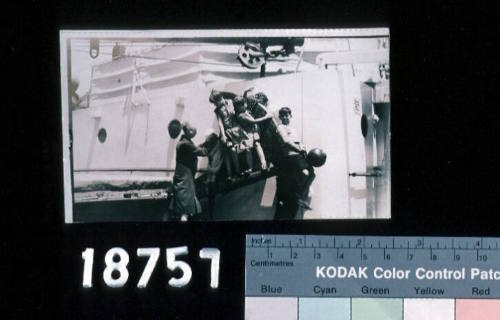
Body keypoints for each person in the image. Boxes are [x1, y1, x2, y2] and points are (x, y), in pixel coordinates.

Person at [274, 107, 315, 220]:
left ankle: (301, 196)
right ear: (280, 117)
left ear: (290, 116)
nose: (285, 117)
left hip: (298, 156)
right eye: (283, 115)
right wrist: (299, 149)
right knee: (306, 173)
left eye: (287, 115)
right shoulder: (280, 128)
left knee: (312, 173)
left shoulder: (293, 128)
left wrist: (303, 147)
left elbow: (298, 142)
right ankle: (298, 197)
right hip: (290, 157)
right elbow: (286, 142)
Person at [172, 122, 207, 221]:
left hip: (185, 180)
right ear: (186, 131)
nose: (194, 132)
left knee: (187, 211)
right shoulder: (185, 144)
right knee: (185, 213)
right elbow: (201, 152)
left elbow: (195, 148)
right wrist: (209, 146)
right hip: (185, 182)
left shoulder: (185, 142)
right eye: (192, 130)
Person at [233, 96, 272, 173]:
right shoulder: (241, 115)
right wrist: (266, 117)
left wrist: (245, 93)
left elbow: (242, 100)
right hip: (249, 132)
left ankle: (263, 163)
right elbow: (254, 121)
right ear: (238, 107)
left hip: (253, 130)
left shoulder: (243, 111)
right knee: (248, 149)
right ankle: (250, 167)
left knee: (257, 144)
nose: (246, 105)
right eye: (244, 104)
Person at [210, 90, 242, 180]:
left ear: (221, 98)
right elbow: (220, 123)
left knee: (233, 150)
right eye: (214, 103)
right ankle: (230, 174)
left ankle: (238, 171)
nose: (215, 104)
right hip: (226, 132)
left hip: (235, 129)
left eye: (216, 102)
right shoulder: (217, 110)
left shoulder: (230, 103)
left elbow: (237, 97)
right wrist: (223, 136)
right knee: (228, 151)